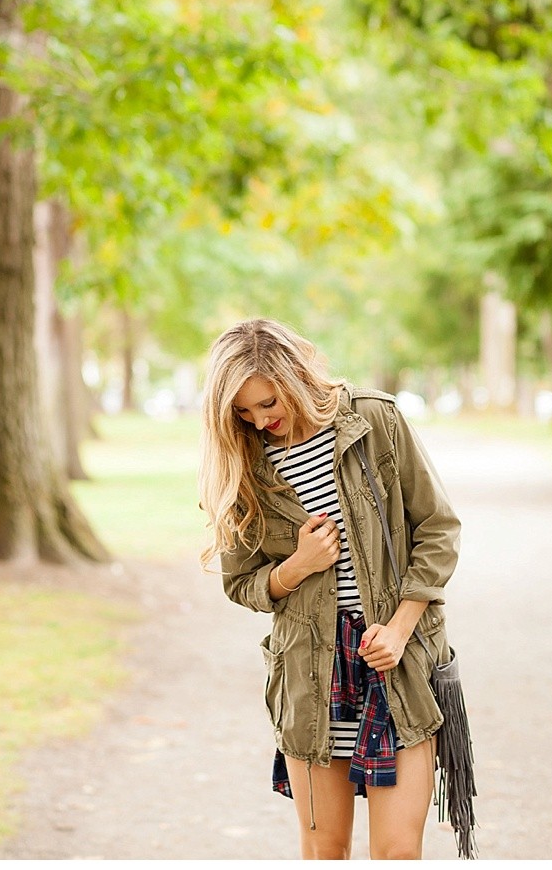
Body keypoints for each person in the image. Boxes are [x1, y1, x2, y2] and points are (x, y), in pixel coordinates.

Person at [198, 317, 463, 861]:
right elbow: (241, 582)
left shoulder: (372, 419)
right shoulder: (243, 462)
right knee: (324, 851)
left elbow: (438, 528)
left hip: (397, 660)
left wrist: (401, 627)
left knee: (395, 852)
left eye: (268, 403)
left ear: (294, 376)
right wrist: (297, 565)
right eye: (244, 413)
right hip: (310, 672)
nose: (260, 420)